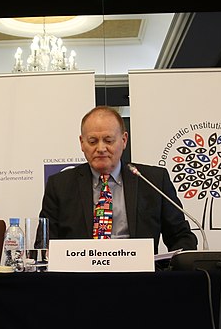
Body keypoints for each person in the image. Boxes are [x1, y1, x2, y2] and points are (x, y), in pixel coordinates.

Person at [40, 106, 197, 254]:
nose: (101, 148)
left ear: (124, 140)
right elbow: (44, 244)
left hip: (141, 278)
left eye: (108, 140)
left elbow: (180, 236)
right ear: (82, 143)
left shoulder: (153, 181)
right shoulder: (60, 185)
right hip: (80, 279)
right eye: (92, 141)